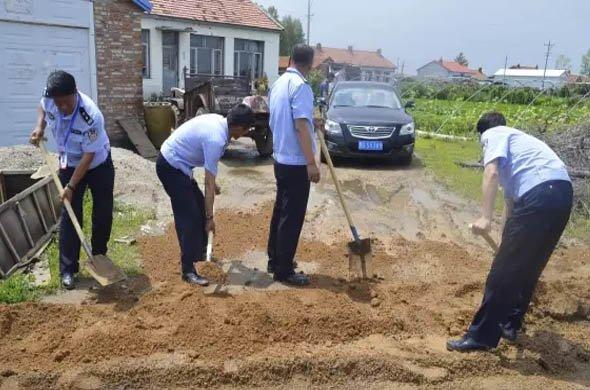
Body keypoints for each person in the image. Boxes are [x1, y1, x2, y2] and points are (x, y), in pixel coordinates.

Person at [447, 112, 573, 352]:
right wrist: (506, 244)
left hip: (539, 195)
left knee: (502, 274)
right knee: (529, 266)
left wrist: (485, 218)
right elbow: (512, 205)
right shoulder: (522, 148)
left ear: (482, 134)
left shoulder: (493, 134)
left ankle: (481, 337)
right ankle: (510, 324)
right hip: (561, 195)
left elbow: (491, 172)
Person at [30, 70, 114, 290]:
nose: (62, 107)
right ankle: (68, 270)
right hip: (69, 161)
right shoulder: (51, 100)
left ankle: (99, 257)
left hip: (97, 164)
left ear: (75, 94)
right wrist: (40, 126)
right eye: (58, 103)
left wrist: (71, 186)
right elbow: (42, 106)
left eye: (66, 102)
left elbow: (89, 156)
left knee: (102, 212)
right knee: (70, 214)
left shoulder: (91, 116)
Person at [156, 104, 255, 286]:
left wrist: (213, 185)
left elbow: (210, 176)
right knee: (189, 218)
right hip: (170, 166)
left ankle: (200, 254)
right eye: (246, 129)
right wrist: (210, 219)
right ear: (239, 127)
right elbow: (208, 184)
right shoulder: (216, 139)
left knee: (199, 208)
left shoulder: (221, 126)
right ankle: (188, 270)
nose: (246, 133)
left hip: (182, 167)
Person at [267, 44, 323, 286]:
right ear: (310, 65)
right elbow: (300, 126)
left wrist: (312, 122)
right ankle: (284, 269)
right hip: (296, 162)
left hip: (280, 157)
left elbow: (294, 120)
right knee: (292, 216)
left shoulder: (279, 84)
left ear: (290, 60)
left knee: (281, 211)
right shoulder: (301, 87)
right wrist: (311, 163)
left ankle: (275, 259)